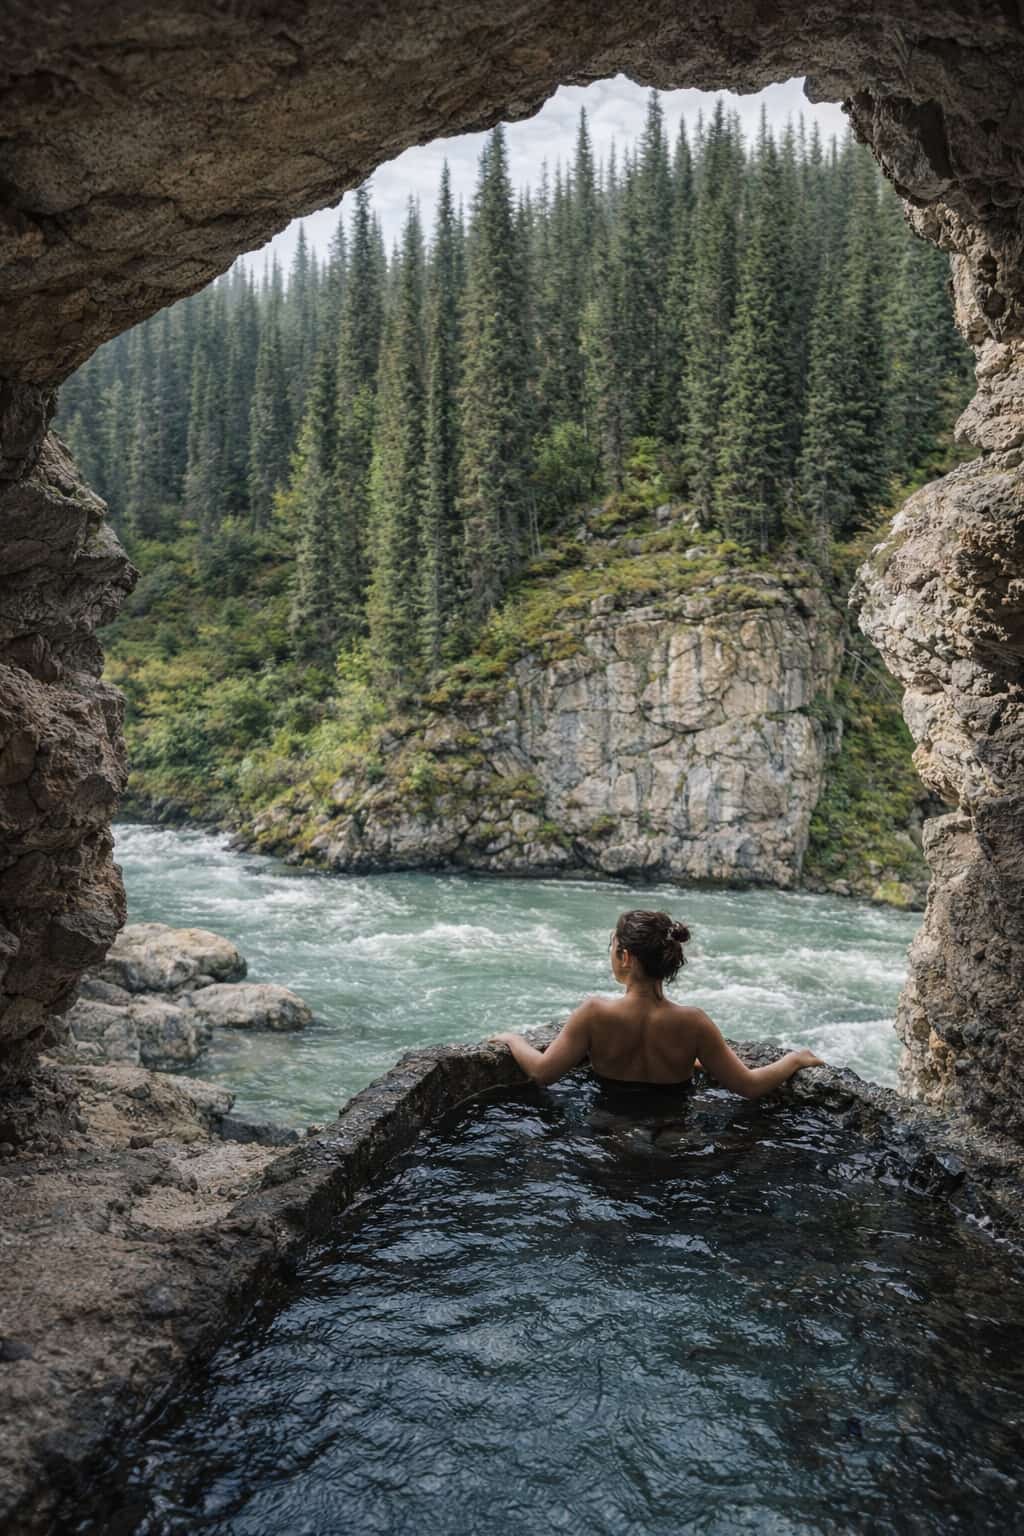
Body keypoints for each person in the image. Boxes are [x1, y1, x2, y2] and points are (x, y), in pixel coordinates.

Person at [490, 908, 824, 1096]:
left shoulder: (594, 1013)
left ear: (625, 957)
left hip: (611, 1133)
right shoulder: (694, 1023)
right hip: (673, 1134)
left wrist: (513, 1040)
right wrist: (794, 1059)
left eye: (612, 947)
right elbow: (749, 1086)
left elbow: (542, 1073)